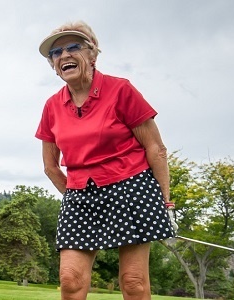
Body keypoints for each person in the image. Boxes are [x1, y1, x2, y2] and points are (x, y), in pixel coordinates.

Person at [35, 21, 176, 300]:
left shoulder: (120, 90)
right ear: (52, 64)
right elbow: (50, 166)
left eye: (74, 47)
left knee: (133, 282)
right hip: (80, 195)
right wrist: (78, 194)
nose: (64, 55)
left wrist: (166, 202)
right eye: (56, 52)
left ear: (92, 55)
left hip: (132, 188)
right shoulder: (52, 106)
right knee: (70, 280)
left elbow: (155, 148)